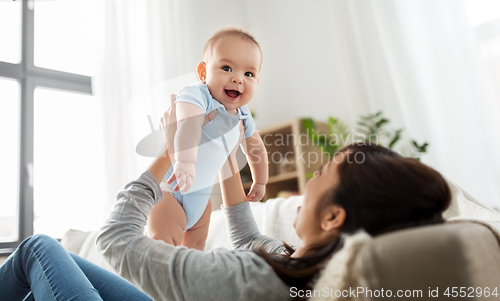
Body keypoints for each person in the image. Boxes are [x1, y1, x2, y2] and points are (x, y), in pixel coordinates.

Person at [0, 96, 452, 301]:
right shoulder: (301, 269)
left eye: (321, 173)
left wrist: (171, 149)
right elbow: (243, 231)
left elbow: (118, 239)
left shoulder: (251, 278)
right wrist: (219, 151)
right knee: (58, 268)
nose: (308, 179)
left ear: (334, 216)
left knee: (39, 249)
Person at [154, 27, 268, 250]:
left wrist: (260, 180)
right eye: (227, 68)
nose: (237, 79)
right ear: (203, 72)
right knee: (163, 249)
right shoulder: (198, 95)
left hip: (200, 200)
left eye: (248, 74)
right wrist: (185, 162)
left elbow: (255, 148)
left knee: (195, 253)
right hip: (169, 190)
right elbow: (189, 124)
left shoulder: (243, 114)